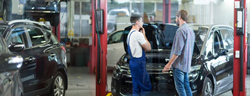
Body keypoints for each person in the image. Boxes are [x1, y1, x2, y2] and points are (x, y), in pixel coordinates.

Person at [162, 10, 195, 96]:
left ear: (179, 17)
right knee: (186, 86)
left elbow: (177, 51)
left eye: (176, 18)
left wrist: (169, 64)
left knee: (180, 88)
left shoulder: (180, 31)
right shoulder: (191, 31)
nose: (176, 20)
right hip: (186, 64)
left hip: (179, 65)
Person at [127, 14, 152, 96]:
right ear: (137, 22)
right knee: (146, 87)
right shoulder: (138, 34)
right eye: (141, 21)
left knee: (136, 87)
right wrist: (144, 35)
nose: (142, 22)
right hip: (139, 64)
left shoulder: (130, 34)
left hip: (133, 63)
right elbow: (148, 48)